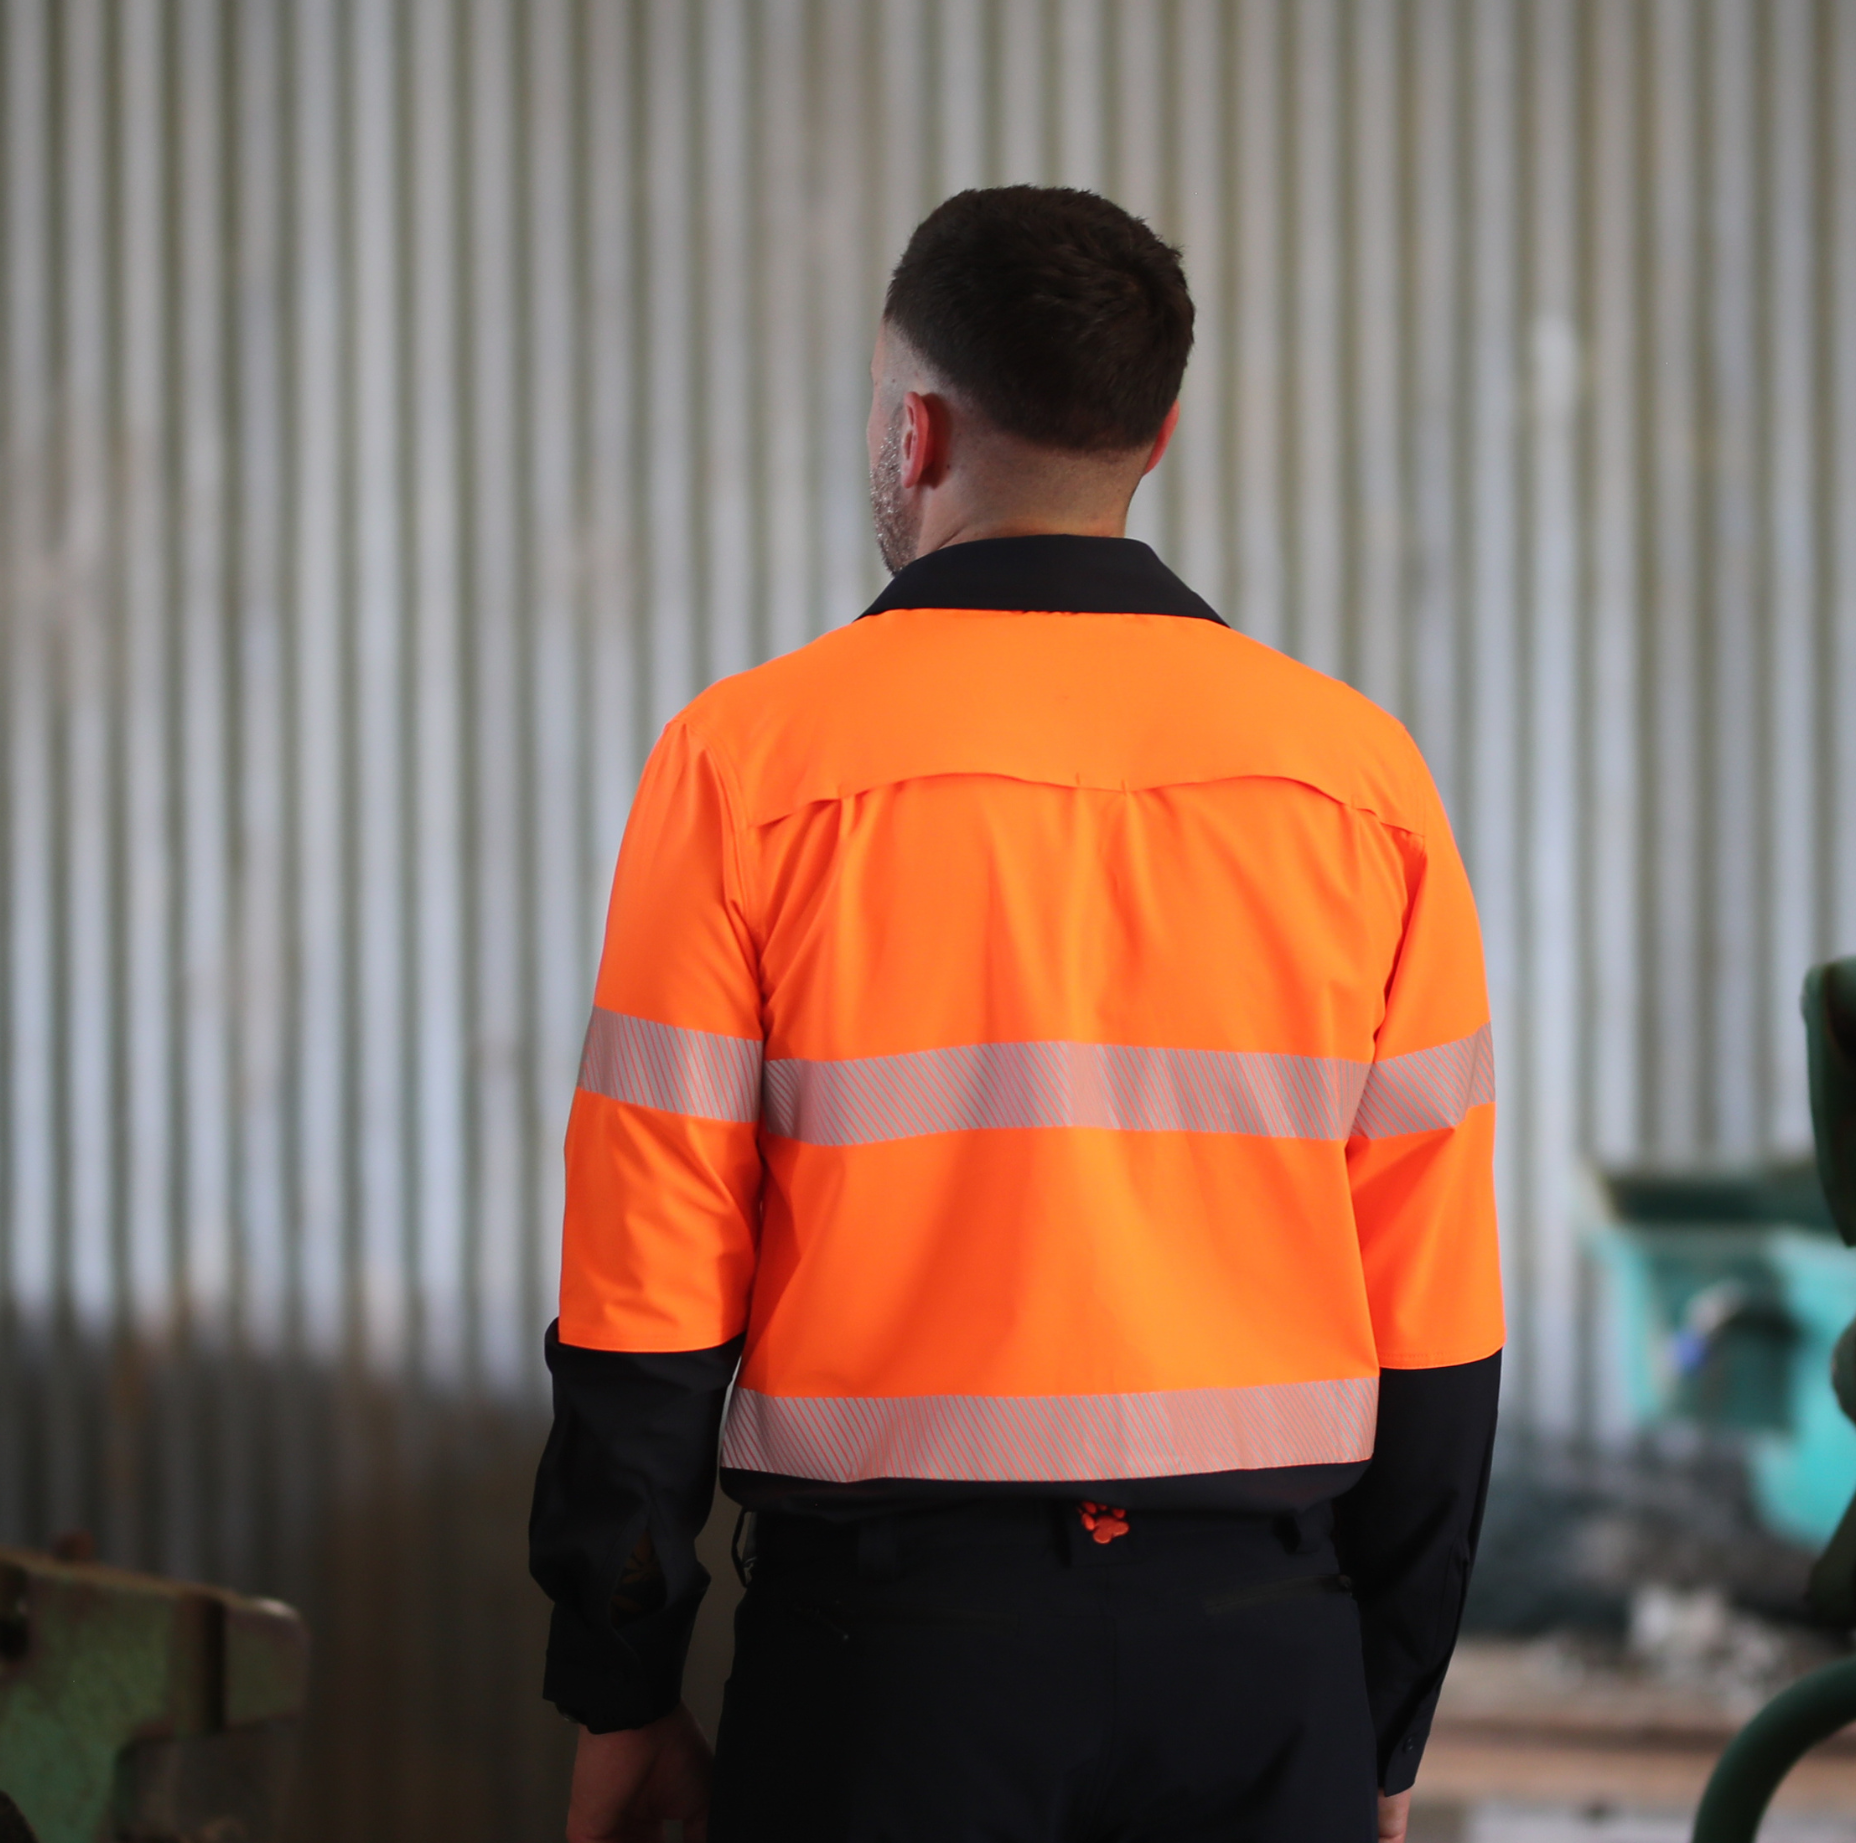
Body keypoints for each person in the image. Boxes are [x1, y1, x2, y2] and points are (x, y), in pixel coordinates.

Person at [529, 185, 1501, 1843]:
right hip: (1261, 1663)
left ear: (912, 431)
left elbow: (643, 1314)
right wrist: (1378, 1722)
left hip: (890, 1671)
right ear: (1160, 435)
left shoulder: (746, 767)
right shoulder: (1362, 782)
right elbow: (1440, 1339)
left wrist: (621, 1690)